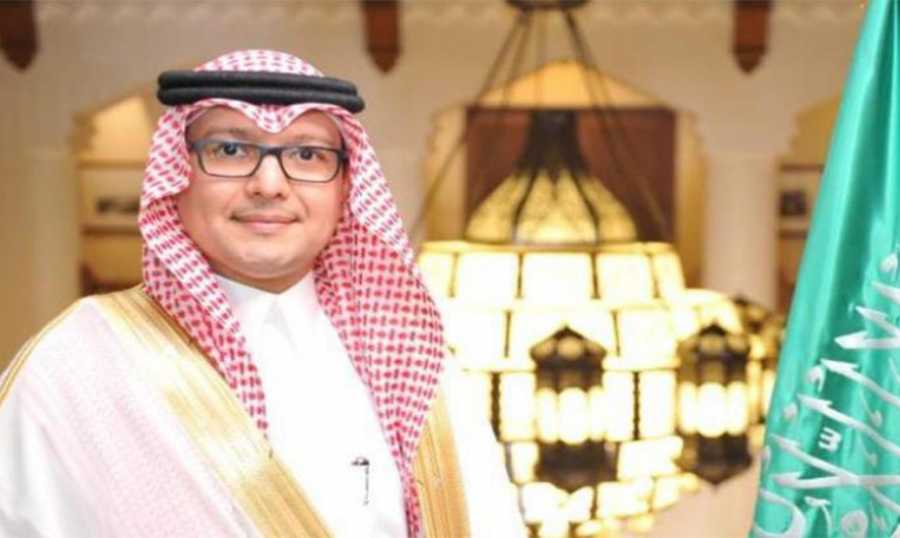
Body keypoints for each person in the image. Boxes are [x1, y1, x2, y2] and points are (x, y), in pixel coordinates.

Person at [0, 50, 525, 537]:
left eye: (308, 154)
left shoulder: (413, 359)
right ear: (177, 173)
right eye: (230, 149)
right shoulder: (76, 365)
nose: (270, 184)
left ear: (345, 185)